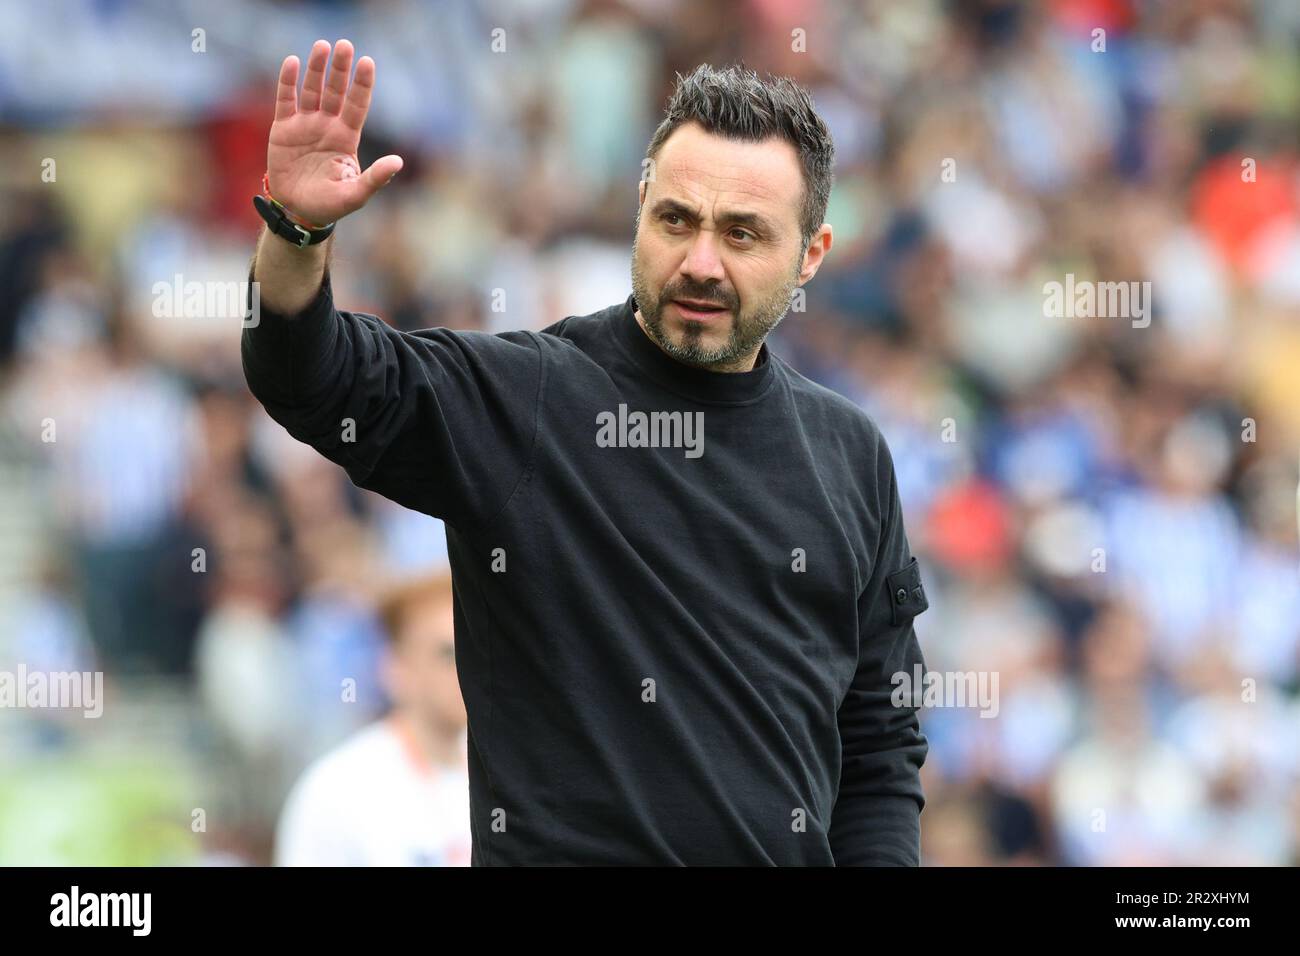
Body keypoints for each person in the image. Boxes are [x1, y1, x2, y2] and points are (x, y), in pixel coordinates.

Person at [244, 39, 931, 865]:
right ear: (640, 208)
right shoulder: (527, 399)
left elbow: (881, 741)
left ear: (811, 255)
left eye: (743, 234)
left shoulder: (850, 454)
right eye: (677, 220)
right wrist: (298, 230)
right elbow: (309, 376)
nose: (701, 262)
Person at [275, 571, 472, 866]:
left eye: (476, 651)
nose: (467, 670)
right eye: (447, 654)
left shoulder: (504, 775)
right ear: (396, 668)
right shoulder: (339, 789)